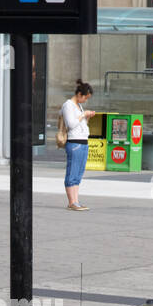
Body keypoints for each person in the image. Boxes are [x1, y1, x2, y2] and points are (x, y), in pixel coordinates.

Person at [61, 79, 95, 211]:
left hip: (83, 142)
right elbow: (71, 124)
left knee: (79, 173)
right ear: (79, 94)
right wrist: (83, 115)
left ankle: (76, 200)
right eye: (85, 98)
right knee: (72, 172)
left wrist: (86, 117)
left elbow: (80, 124)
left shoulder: (78, 106)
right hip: (74, 143)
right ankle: (71, 202)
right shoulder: (68, 105)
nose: (85, 101)